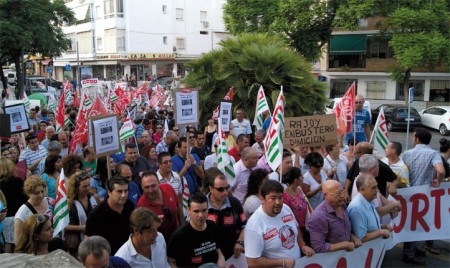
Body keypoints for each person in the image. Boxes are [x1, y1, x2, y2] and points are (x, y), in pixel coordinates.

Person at [244, 180, 314, 268]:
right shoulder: (254, 225)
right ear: (262, 199)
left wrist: (302, 245)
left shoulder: (286, 208)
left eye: (280, 197)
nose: (277, 202)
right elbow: (252, 262)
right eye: (272, 198)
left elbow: (296, 227)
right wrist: (282, 262)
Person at [402, 128, 445, 263]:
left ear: (417, 139)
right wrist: (439, 180)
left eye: (413, 136)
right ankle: (412, 250)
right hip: (424, 195)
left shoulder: (407, 153)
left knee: (408, 222)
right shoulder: (433, 153)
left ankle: (409, 252)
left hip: (407, 193)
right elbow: (441, 170)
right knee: (419, 223)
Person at [167, 192, 225, 268]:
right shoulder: (178, 236)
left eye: (204, 210)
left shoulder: (213, 226)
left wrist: (221, 259)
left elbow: (218, 248)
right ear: (188, 210)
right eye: (196, 211)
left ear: (208, 209)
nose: (200, 215)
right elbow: (171, 261)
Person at [85, 175, 134, 255]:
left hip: (129, 253)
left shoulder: (129, 205)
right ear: (109, 192)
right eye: (119, 191)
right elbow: (89, 243)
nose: (123, 195)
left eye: (126, 191)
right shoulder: (96, 215)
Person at [308, 180, 362, 253]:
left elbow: (344, 228)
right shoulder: (318, 217)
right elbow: (318, 247)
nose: (342, 196)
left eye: (342, 191)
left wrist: (353, 237)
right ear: (325, 195)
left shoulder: (342, 205)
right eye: (337, 193)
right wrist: (344, 245)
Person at [206, 173, 246, 260]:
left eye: (227, 188)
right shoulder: (201, 205)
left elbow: (245, 226)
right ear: (211, 189)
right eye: (220, 189)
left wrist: (240, 242)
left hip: (233, 254)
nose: (225, 192)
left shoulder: (235, 203)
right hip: (209, 256)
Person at [137, 171, 183, 243]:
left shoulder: (168, 188)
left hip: (178, 237)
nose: (150, 190)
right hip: (160, 244)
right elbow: (143, 230)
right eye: (146, 187)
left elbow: (178, 207)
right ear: (142, 187)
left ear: (159, 183)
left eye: (153, 186)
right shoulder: (141, 205)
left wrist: (182, 228)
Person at [348, 174, 392, 242]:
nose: (377, 190)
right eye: (373, 188)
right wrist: (381, 232)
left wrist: (382, 226)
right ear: (362, 189)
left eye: (376, 187)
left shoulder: (369, 200)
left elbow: (369, 226)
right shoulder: (356, 208)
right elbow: (361, 237)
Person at [65, 171, 98, 256]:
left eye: (89, 185)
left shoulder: (93, 197)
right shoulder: (70, 203)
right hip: (77, 243)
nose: (88, 188)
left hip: (94, 239)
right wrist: (81, 228)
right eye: (84, 186)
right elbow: (63, 226)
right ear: (76, 187)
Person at [14, 176, 54, 246]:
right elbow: (18, 241)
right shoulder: (22, 213)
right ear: (28, 193)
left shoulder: (50, 201)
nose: (41, 195)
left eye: (42, 191)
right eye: (36, 193)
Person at [0, 158, 28, 252]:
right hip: (19, 215)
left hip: (5, 217)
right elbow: (25, 198)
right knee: (19, 242)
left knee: (8, 242)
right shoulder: (18, 181)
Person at [282, 167, 312, 245]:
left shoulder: (299, 189)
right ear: (296, 180)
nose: (303, 178)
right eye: (301, 176)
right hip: (296, 229)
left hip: (305, 226)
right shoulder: (285, 196)